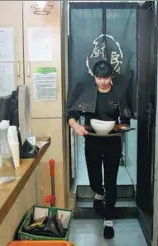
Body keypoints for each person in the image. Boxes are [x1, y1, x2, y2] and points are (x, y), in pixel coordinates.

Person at [66, 60, 131, 239]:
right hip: (92, 141)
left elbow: (126, 120)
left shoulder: (118, 93)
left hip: (112, 141)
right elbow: (72, 115)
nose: (102, 81)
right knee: (95, 180)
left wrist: (120, 127)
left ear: (112, 77)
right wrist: (76, 127)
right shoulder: (88, 93)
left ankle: (108, 219)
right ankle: (98, 193)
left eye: (106, 77)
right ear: (94, 77)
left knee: (111, 181)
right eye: (99, 78)